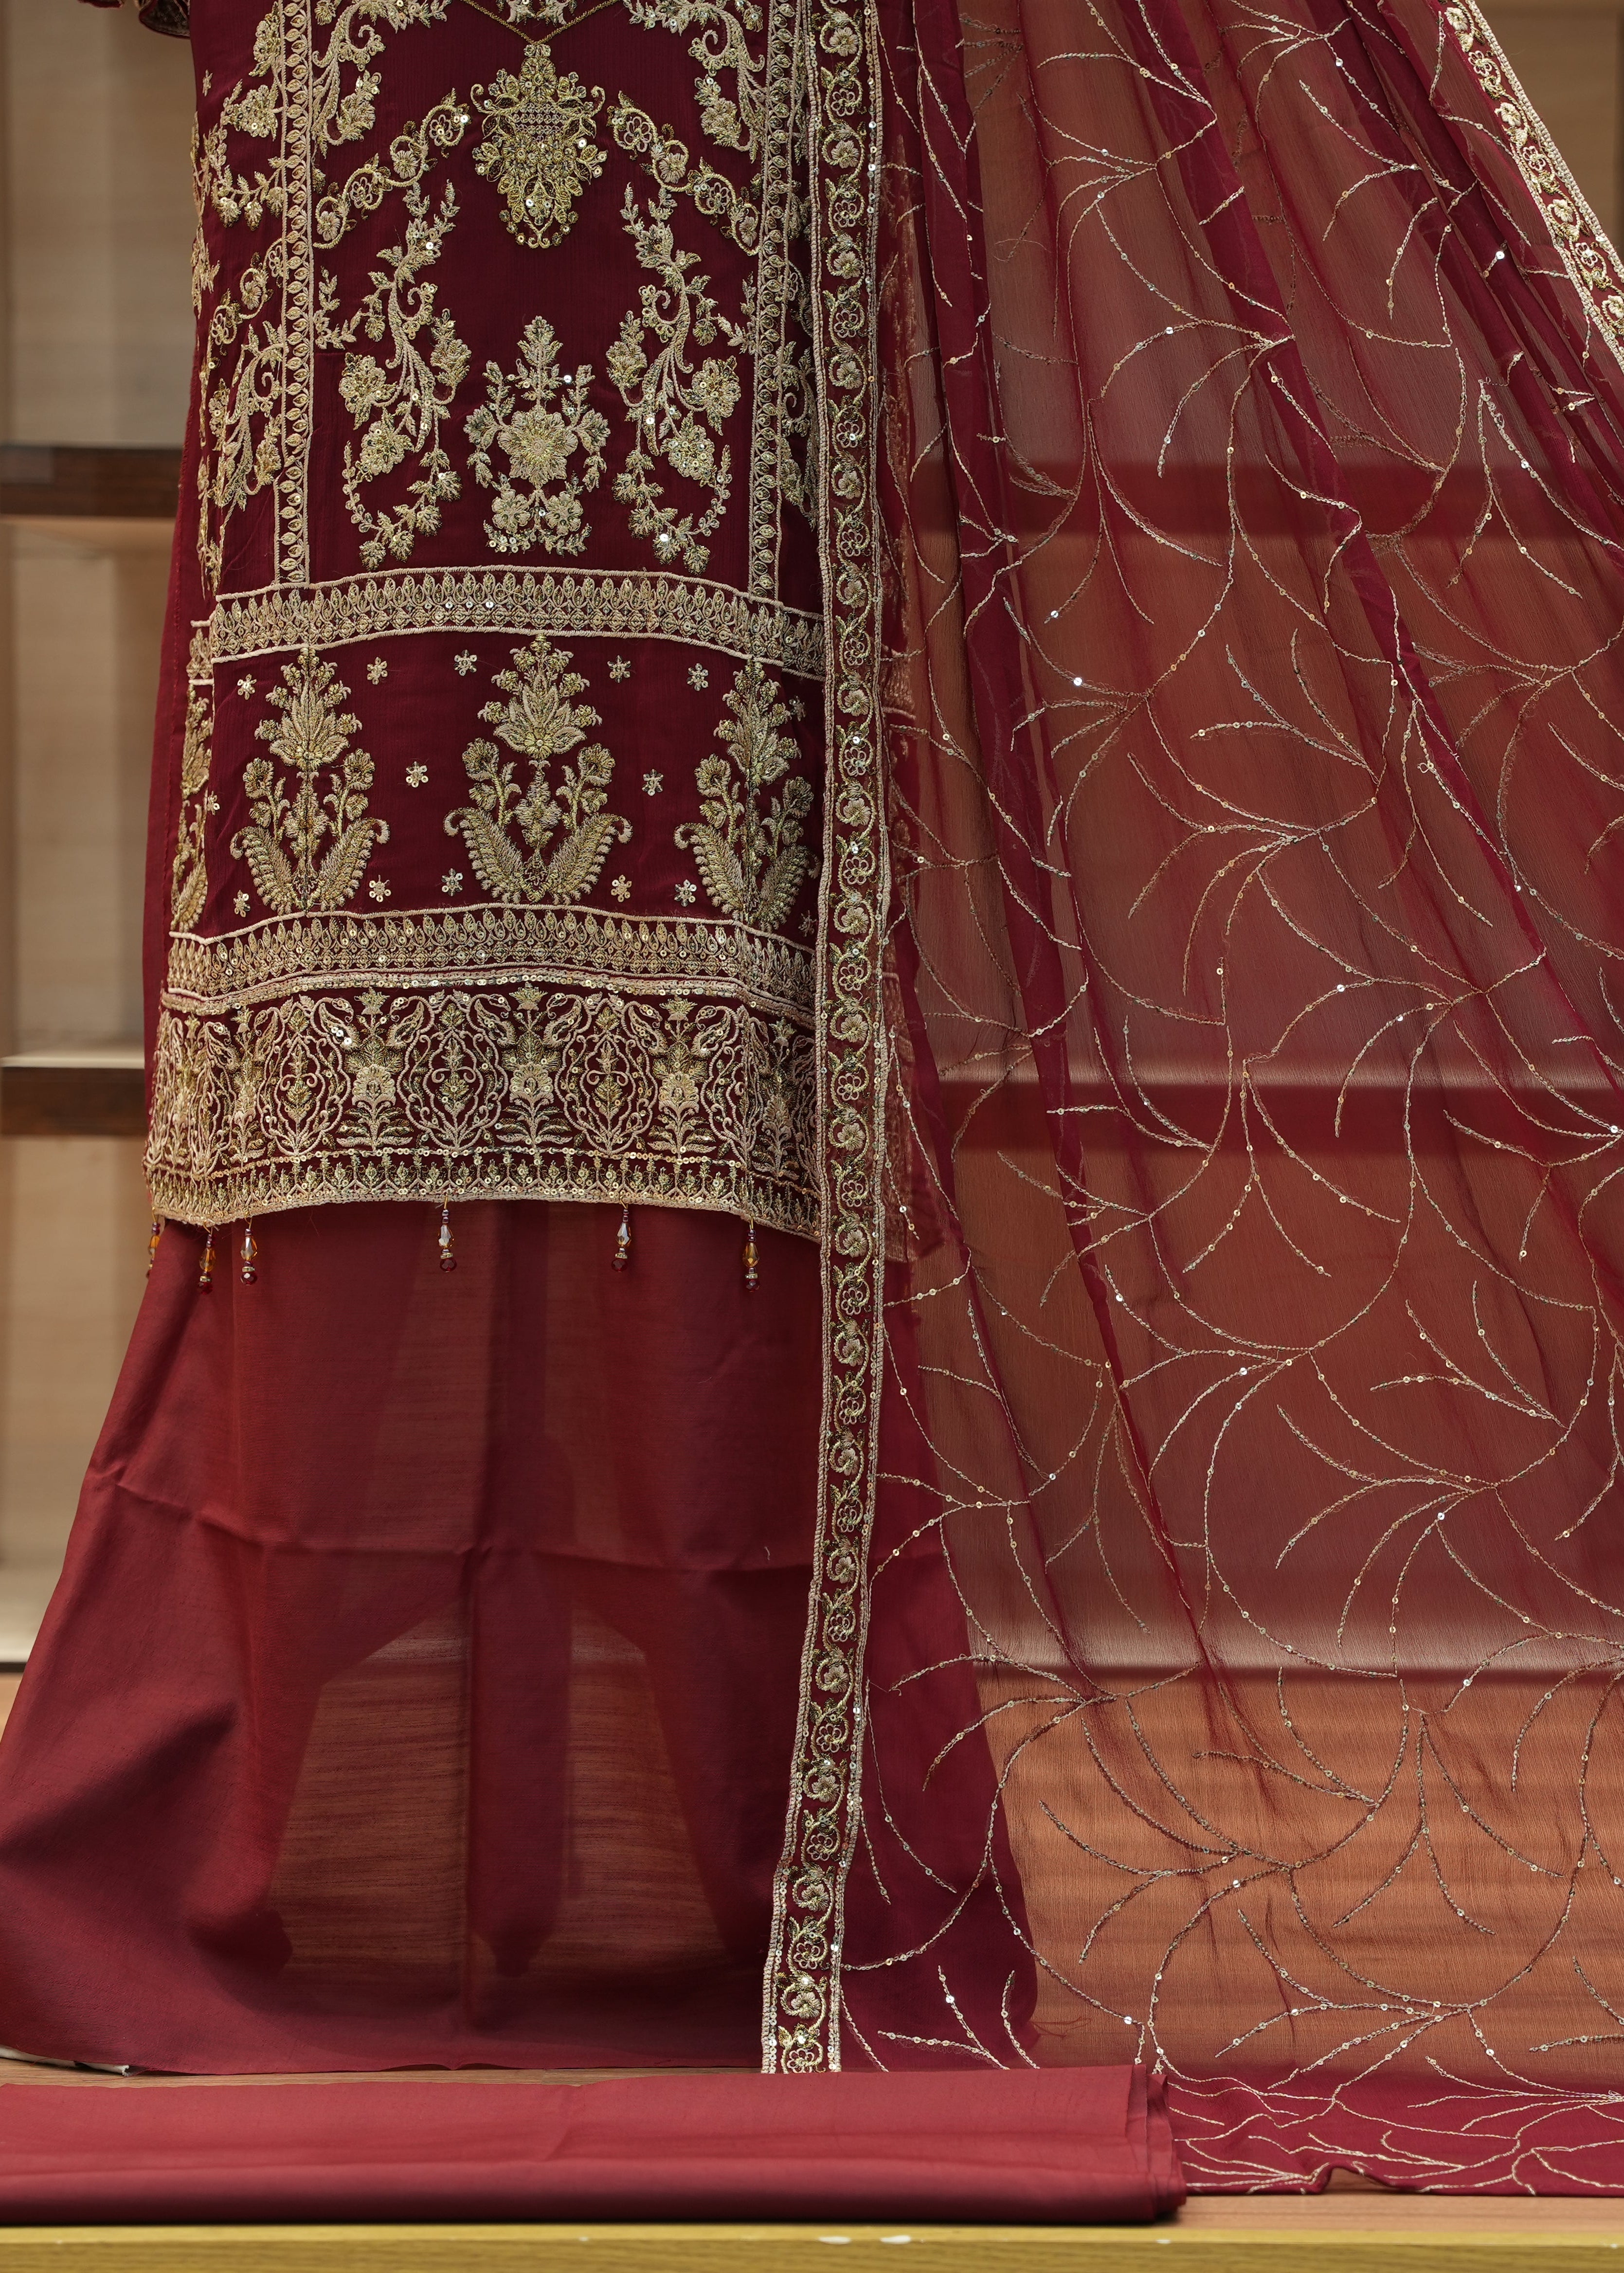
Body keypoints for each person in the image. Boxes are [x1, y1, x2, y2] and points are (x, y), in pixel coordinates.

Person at [10, 0, 1624, 2189]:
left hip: (720, 112)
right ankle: (300, 1843)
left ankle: (722, 1855)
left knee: (723, 997)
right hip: (357, 105)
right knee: (329, 970)